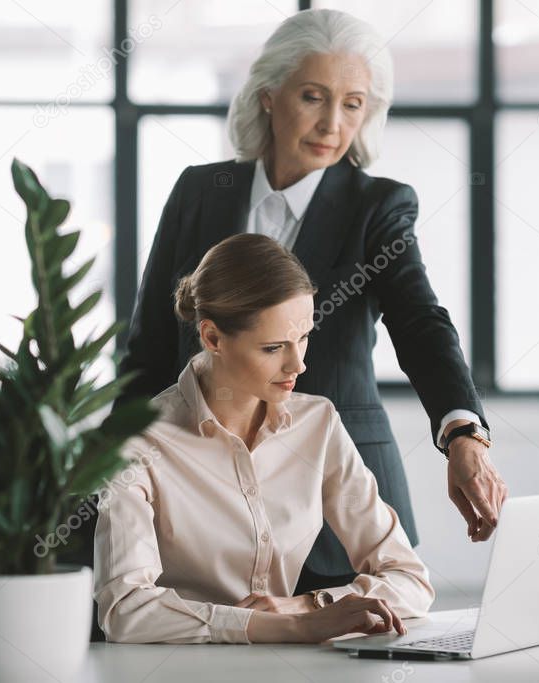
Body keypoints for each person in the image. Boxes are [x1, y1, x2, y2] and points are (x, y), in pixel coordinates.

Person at [114, 8, 507, 600]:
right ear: (268, 96)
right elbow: (148, 348)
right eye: (313, 96)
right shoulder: (200, 191)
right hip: (196, 490)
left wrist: (463, 433)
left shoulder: (378, 206)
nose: (332, 123)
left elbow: (422, 324)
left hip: (333, 499)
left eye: (353, 103)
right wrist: (108, 470)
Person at [94, 234, 434, 643]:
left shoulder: (318, 423)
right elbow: (125, 611)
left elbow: (411, 581)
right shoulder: (138, 443)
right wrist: (290, 627)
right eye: (273, 348)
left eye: (304, 337)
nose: (299, 364)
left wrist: (307, 606)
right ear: (213, 338)